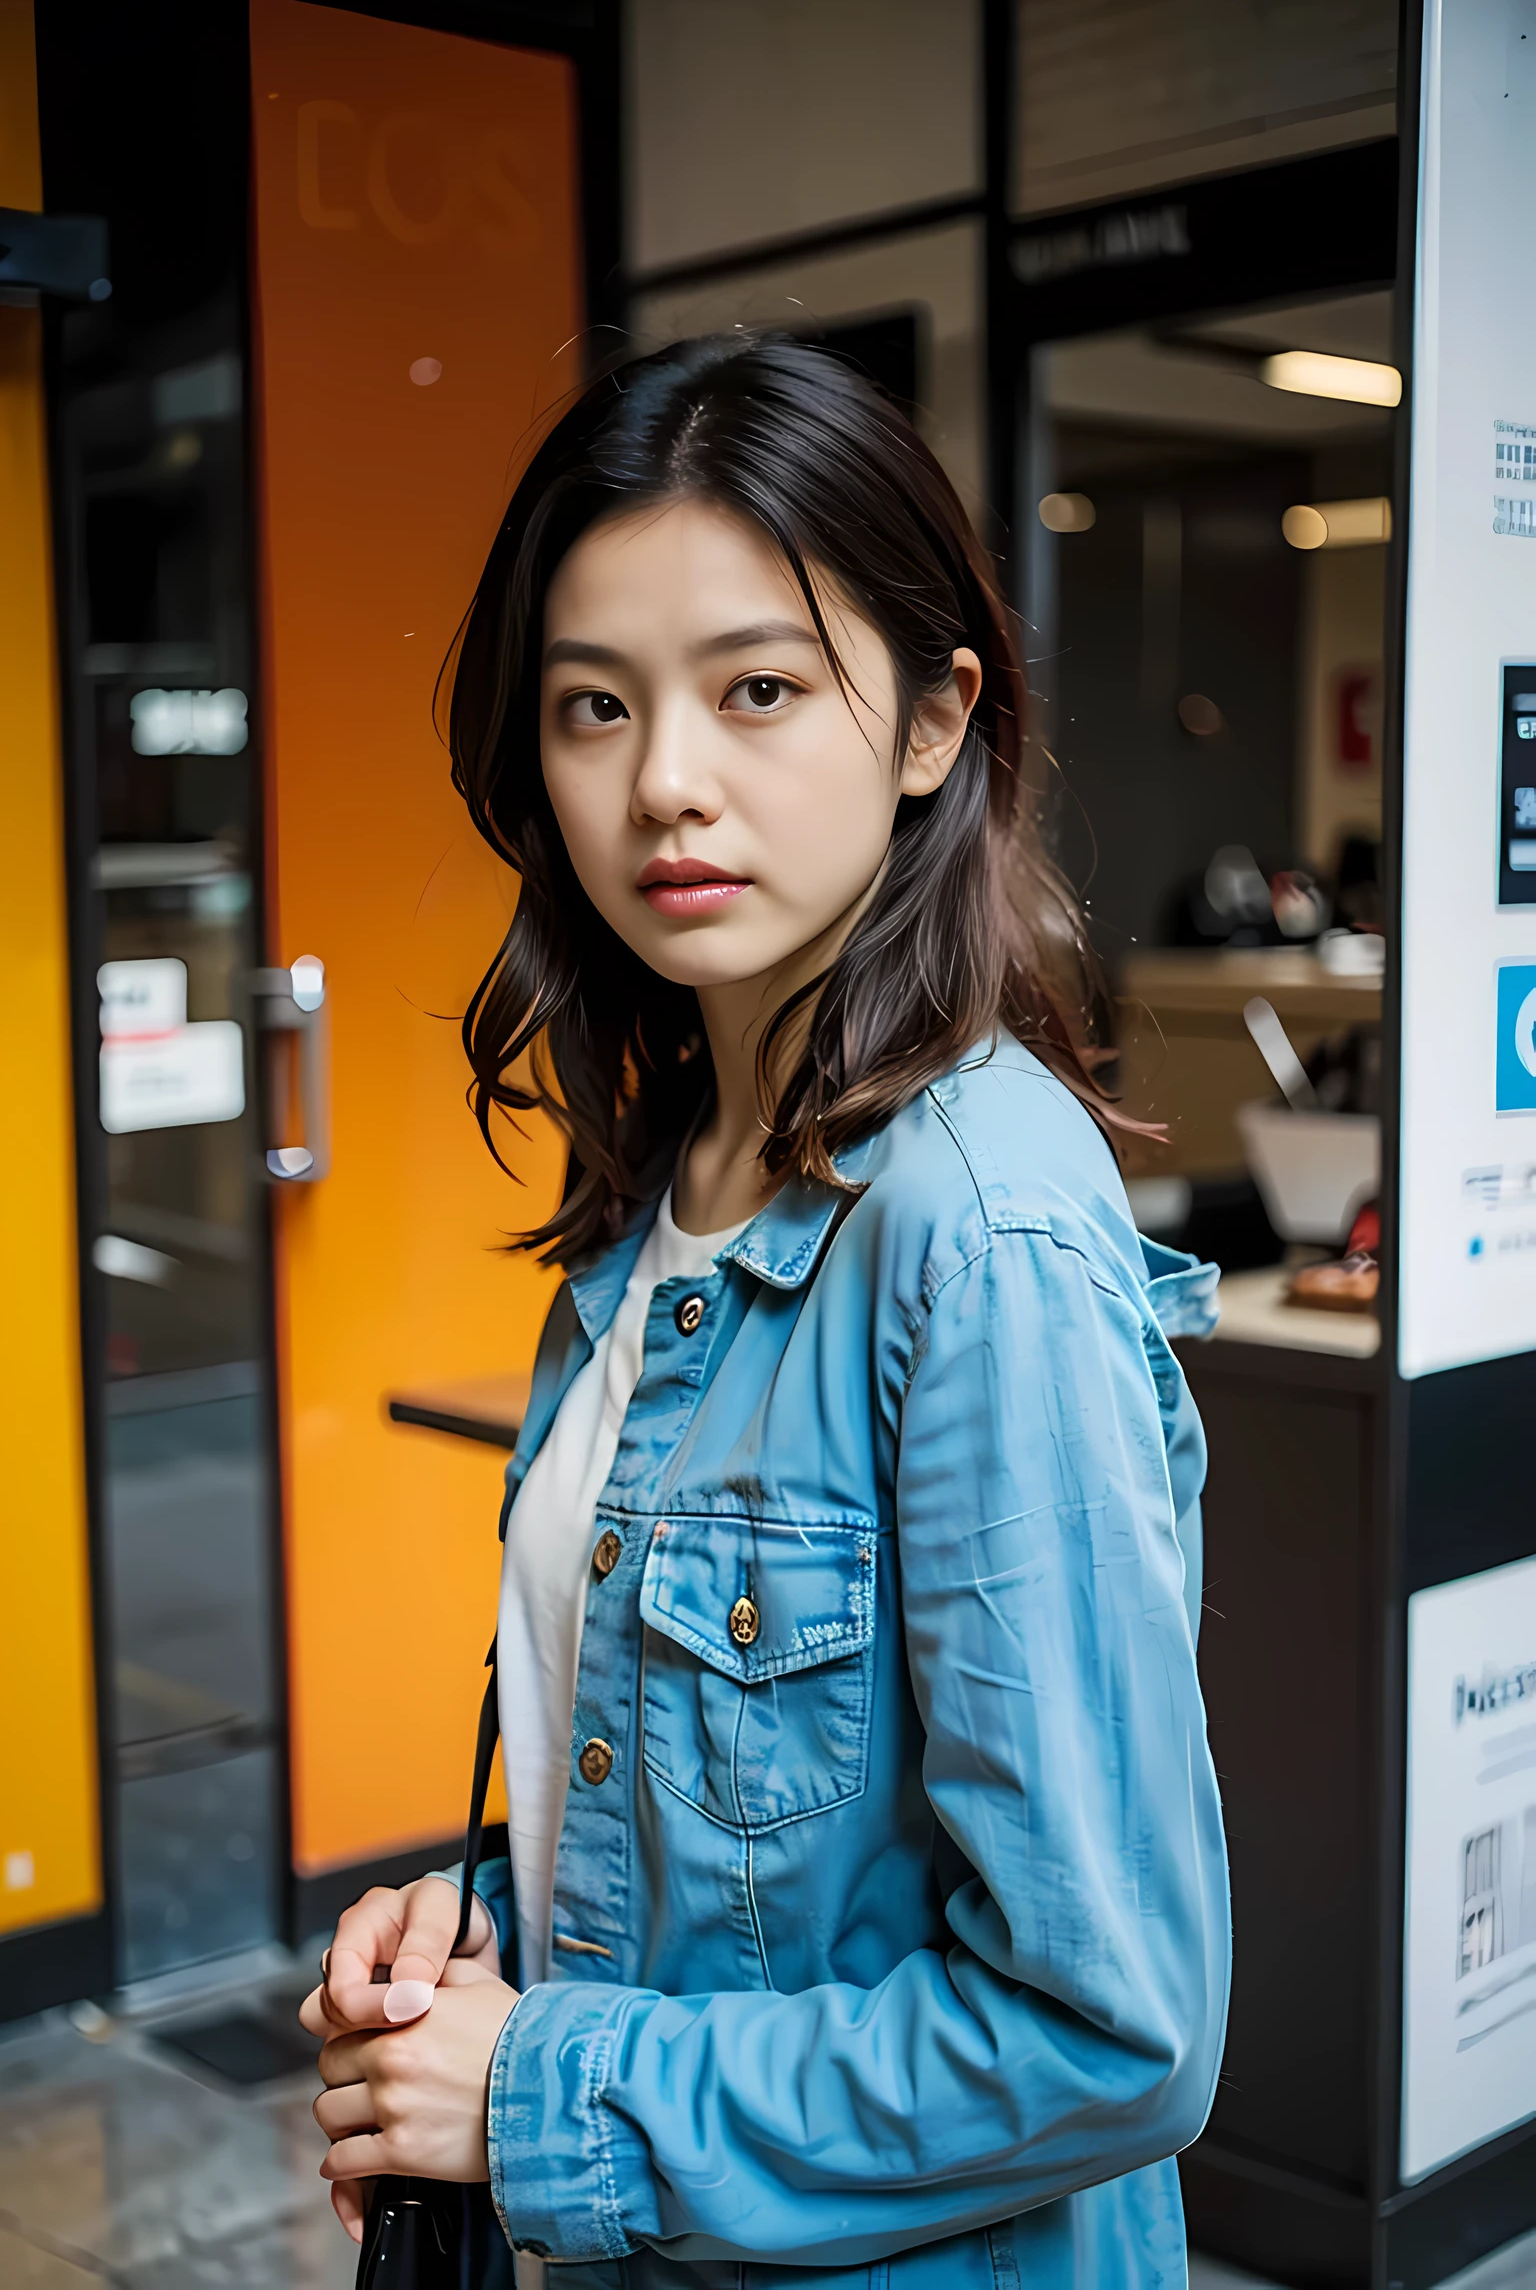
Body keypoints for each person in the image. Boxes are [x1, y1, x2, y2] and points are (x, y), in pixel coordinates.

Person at [301, 334, 1230, 2289]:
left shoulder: (983, 1243)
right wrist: (470, 1948)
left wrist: (538, 2090)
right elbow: (749, 1845)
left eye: (758, 689)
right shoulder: (668, 1191)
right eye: (591, 705)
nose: (664, 782)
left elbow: (1111, 2032)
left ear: (928, 719)